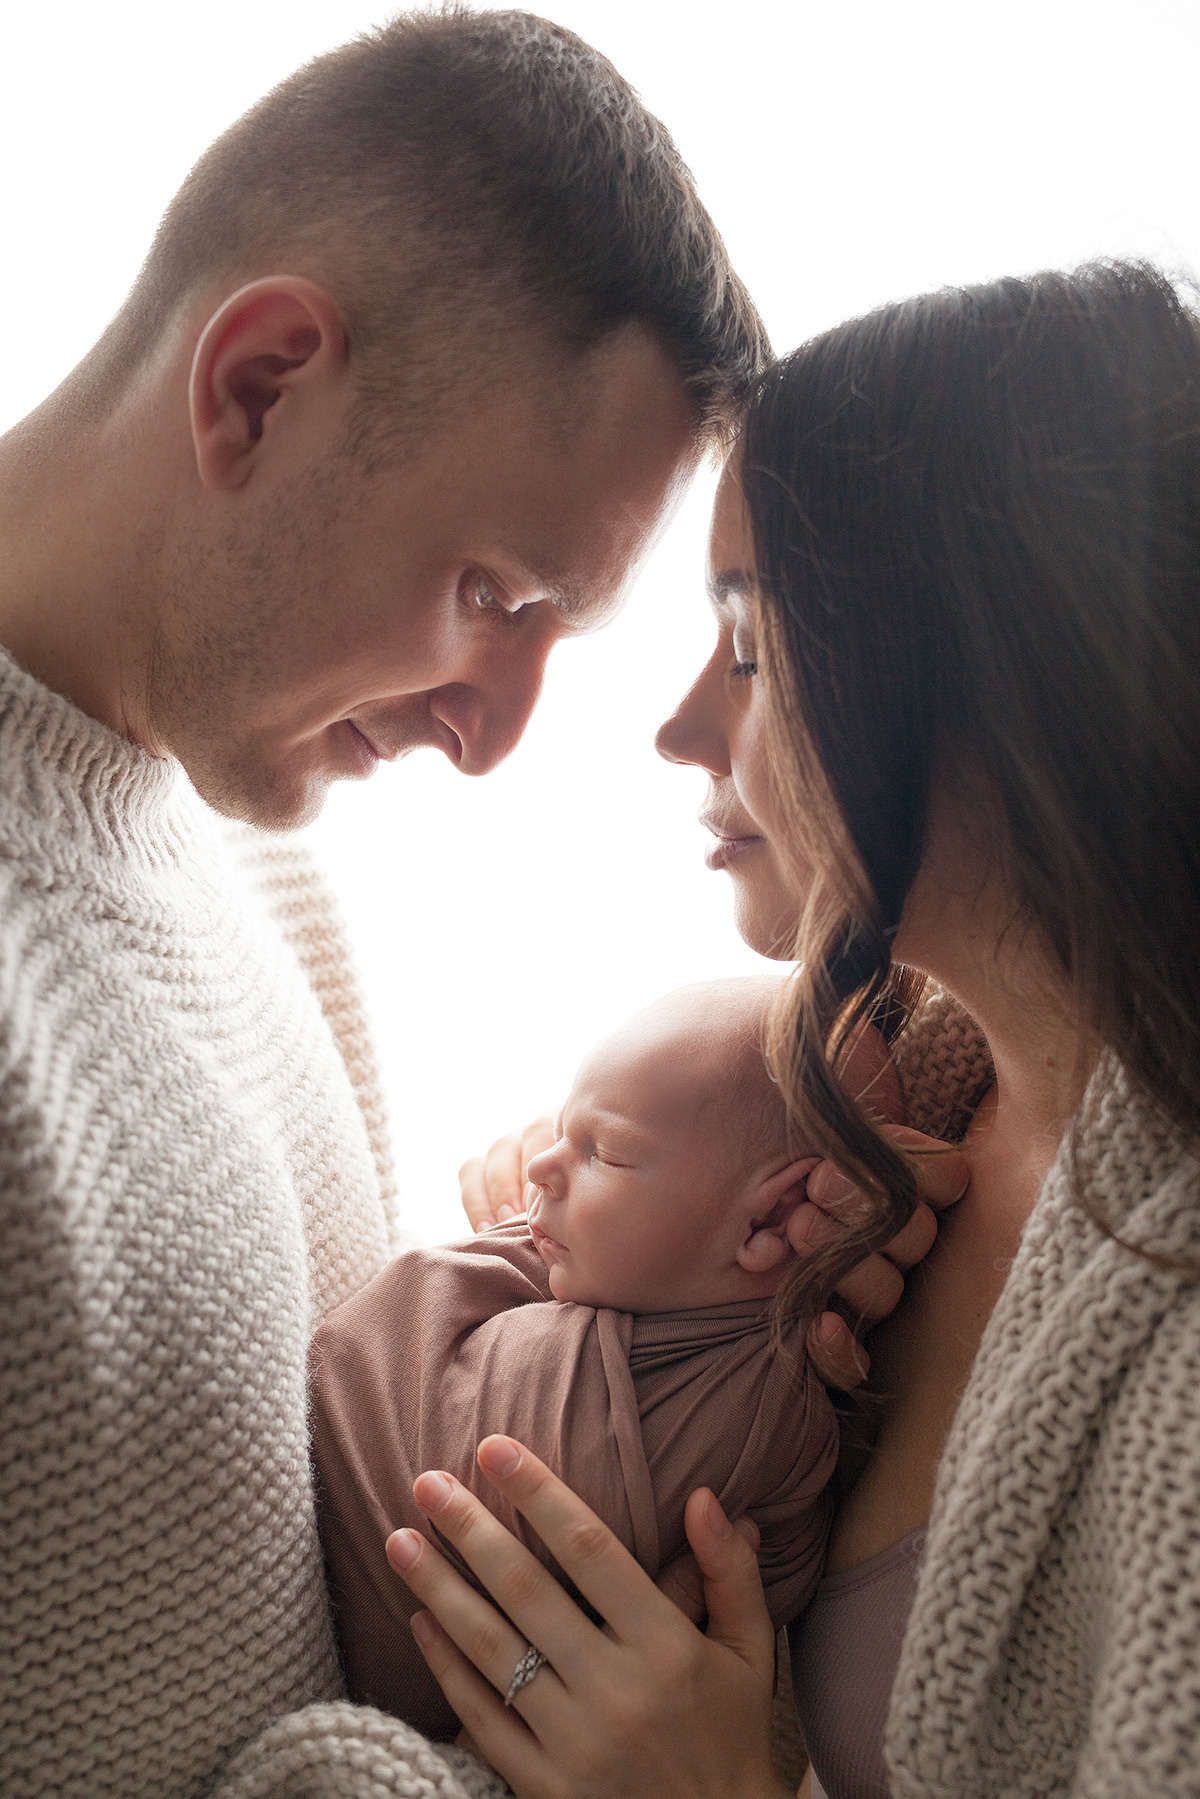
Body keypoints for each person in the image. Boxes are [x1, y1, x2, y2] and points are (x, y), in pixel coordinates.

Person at [0, 12, 776, 1796]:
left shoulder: (254, 854)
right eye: (492, 590)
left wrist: (704, 1322)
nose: (492, 737)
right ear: (258, 385)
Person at [397, 260, 1200, 1799]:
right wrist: (586, 1240)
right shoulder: (882, 1088)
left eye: (753, 647)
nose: (679, 724)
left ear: (1001, 680)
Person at [309, 980, 902, 1744]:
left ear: (771, 1218)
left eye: (605, 1151)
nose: (540, 1167)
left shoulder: (770, 1410)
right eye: (561, 1130)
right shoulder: (628, 1289)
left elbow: (771, 1585)